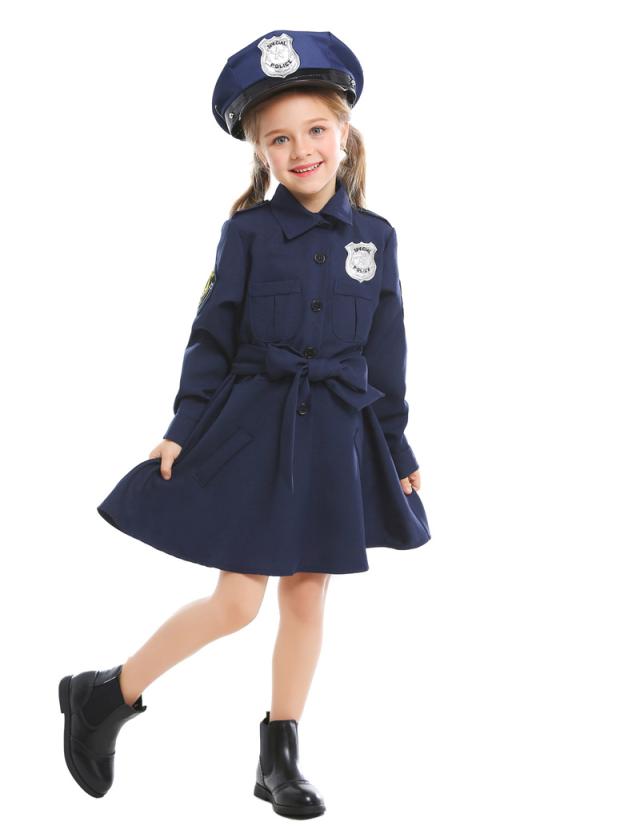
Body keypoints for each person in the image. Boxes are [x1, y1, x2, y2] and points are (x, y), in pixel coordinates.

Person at [59, 30, 431, 818]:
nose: (302, 151)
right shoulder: (249, 234)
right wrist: (183, 426)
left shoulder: (377, 238)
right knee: (236, 602)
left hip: (334, 431)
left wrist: (395, 444)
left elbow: (385, 350)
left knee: (308, 596)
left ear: (344, 131)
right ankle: (105, 695)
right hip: (255, 427)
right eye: (279, 139)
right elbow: (212, 337)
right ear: (260, 152)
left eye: (315, 130)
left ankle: (279, 755)